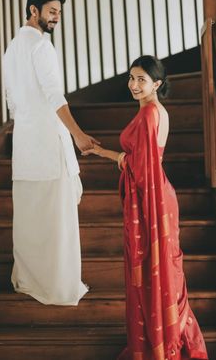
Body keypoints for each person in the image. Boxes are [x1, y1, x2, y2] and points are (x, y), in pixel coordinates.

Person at [82, 56, 208, 360]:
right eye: (131, 78)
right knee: (163, 271)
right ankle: (166, 338)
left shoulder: (151, 113)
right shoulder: (154, 112)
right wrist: (98, 150)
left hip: (153, 198)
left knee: (160, 271)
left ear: (157, 84)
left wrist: (99, 151)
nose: (134, 85)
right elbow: (138, 164)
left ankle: (164, 345)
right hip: (158, 193)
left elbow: (138, 168)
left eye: (142, 79)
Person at [3, 0, 99, 305]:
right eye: (52, 12)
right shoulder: (41, 47)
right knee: (57, 220)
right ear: (34, 10)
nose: (57, 18)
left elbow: (13, 105)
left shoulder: (11, 48)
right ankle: (58, 284)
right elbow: (55, 97)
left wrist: (26, 131)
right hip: (47, 141)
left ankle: (29, 279)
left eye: (59, 12)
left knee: (30, 217)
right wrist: (77, 135)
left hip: (26, 144)